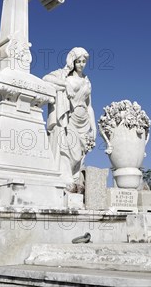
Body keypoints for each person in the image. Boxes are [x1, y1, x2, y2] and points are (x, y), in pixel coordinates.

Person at [43, 47, 96, 192]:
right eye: (78, 61)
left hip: (84, 120)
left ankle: (75, 181)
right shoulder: (63, 76)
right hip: (70, 119)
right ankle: (65, 178)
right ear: (72, 61)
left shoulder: (86, 80)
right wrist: (65, 84)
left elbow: (89, 106)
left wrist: (94, 127)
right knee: (73, 152)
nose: (81, 64)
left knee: (81, 155)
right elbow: (45, 79)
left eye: (84, 61)